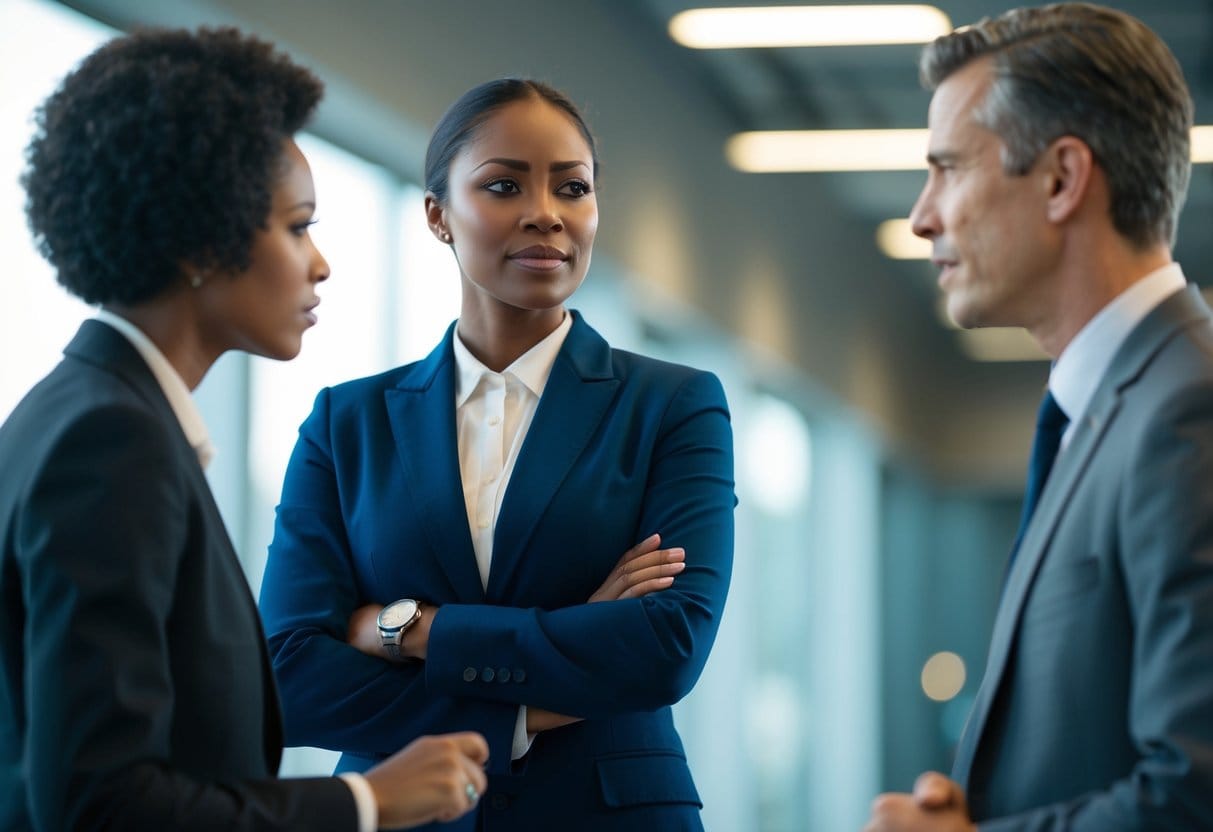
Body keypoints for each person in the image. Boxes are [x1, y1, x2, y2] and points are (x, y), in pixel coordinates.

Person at [0, 27, 488, 832]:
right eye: (298, 226)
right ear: (203, 239)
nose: (320, 263)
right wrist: (369, 799)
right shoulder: (113, 444)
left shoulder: (71, 412)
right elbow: (100, 804)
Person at [257, 77, 736, 830]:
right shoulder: (345, 421)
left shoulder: (673, 405)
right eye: (504, 184)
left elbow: (665, 646)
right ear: (437, 216)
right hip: (404, 815)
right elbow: (288, 676)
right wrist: (534, 699)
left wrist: (405, 629)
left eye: (572, 188)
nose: (546, 213)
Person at [864, 3, 1213, 830]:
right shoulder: (1109, 408)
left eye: (947, 168)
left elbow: (1197, 789)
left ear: (1060, 179)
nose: (921, 216)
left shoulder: (1186, 410)